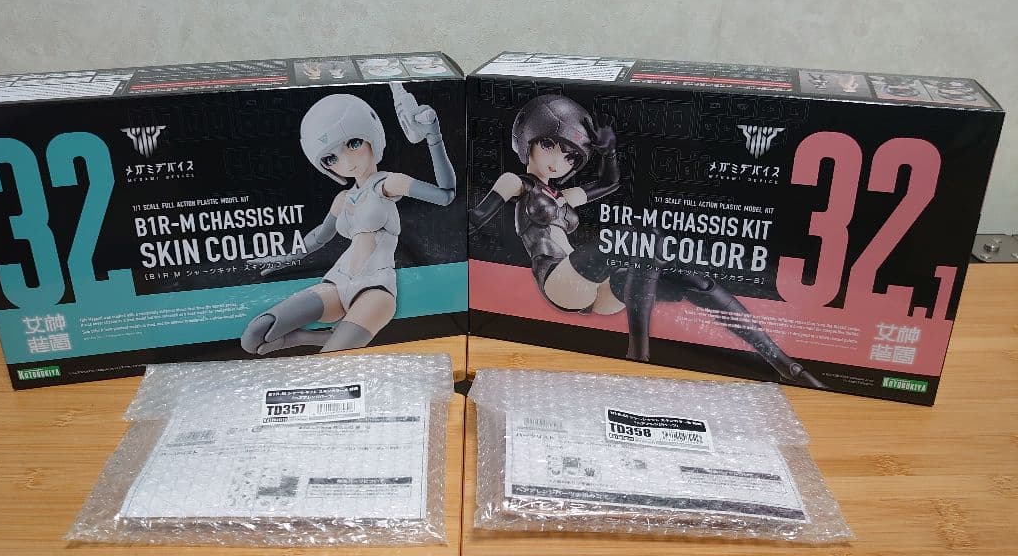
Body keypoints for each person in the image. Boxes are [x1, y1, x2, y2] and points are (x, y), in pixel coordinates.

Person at [469, 95, 824, 388]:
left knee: (692, 277)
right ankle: (639, 357)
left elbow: (608, 184)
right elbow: (475, 217)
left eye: (570, 155)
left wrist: (608, 153)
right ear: (528, 140)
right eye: (549, 145)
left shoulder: (561, 196)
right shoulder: (517, 183)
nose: (557, 161)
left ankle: (785, 365)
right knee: (640, 237)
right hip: (558, 282)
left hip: (598, 293)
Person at [240, 82, 455, 354]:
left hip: (376, 289)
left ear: (371, 137)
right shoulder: (343, 198)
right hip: (337, 283)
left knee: (329, 363)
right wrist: (284, 258)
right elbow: (319, 237)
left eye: (353, 144)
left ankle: (321, 337)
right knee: (255, 334)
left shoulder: (388, 184)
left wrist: (434, 136)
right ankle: (319, 336)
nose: (347, 161)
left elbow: (445, 195)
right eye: (331, 158)